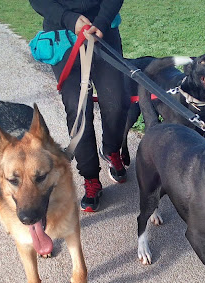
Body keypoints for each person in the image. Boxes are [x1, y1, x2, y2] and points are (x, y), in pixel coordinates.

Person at [29, 0, 128, 212]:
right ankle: (91, 177)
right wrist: (69, 19)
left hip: (103, 28)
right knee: (78, 108)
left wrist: (101, 21)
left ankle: (111, 150)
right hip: (63, 36)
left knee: (117, 102)